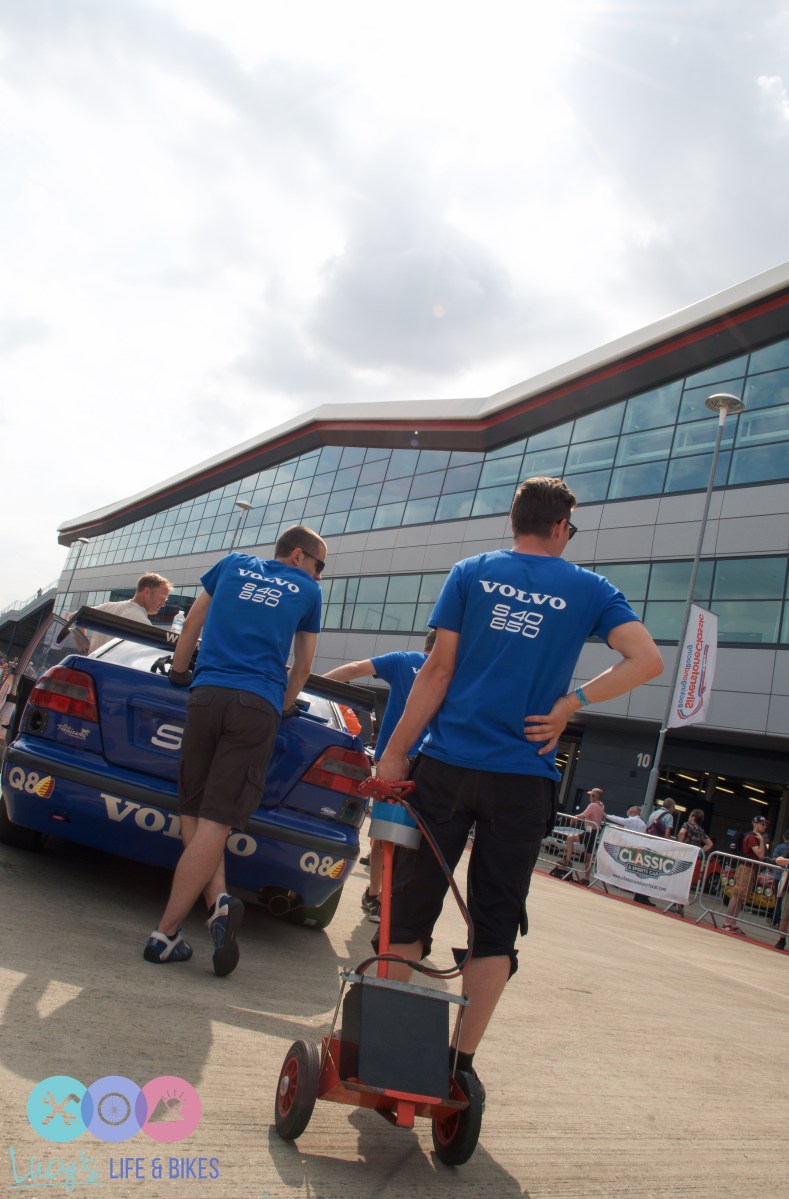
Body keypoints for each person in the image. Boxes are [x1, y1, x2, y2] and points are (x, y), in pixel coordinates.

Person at [375, 476, 663, 1097]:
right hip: (524, 776)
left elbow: (438, 669)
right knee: (495, 924)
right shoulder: (590, 589)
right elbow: (647, 660)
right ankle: (459, 1065)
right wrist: (571, 703)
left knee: (413, 902)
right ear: (561, 526)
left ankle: (389, 1048)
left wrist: (396, 752)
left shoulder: (470, 572)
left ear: (515, 521)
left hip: (447, 766)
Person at [143, 525, 326, 975]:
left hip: (206, 695)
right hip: (255, 704)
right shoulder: (307, 591)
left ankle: (219, 903)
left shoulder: (232, 563)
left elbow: (192, 622)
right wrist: (277, 708)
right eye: (321, 566)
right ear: (299, 556)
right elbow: (303, 667)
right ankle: (164, 934)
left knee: (193, 807)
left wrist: (182, 671)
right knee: (218, 819)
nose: (320, 575)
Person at [323, 629, 437, 921]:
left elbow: (353, 669)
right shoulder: (452, 672)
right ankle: (389, 897)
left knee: (386, 832)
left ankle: (375, 895)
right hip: (431, 763)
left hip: (391, 760)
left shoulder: (402, 660)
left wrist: (312, 686)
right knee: (418, 836)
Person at [87, 572, 172, 652]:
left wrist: (84, 648)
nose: (163, 604)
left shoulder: (107, 606)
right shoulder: (142, 623)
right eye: (161, 598)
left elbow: (75, 615)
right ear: (147, 592)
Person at [723, 814, 768, 935]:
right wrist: (763, 841)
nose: (764, 826)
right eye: (762, 824)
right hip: (746, 869)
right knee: (737, 895)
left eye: (765, 824)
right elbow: (760, 855)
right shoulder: (753, 837)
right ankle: (727, 922)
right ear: (755, 823)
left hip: (750, 869)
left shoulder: (755, 837)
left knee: (741, 898)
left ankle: (733, 922)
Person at [550, 788, 605, 885]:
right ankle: (586, 879)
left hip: (589, 831)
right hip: (595, 831)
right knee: (588, 856)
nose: (589, 797)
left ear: (594, 797)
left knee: (570, 838)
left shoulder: (593, 805)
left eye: (591, 795)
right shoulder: (601, 805)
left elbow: (583, 815)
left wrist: (575, 817)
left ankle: (568, 859)